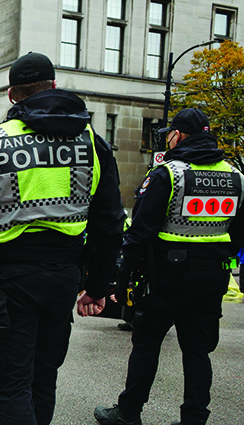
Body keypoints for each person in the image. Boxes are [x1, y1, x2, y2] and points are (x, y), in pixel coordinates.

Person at [0, 52, 125, 425]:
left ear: (11, 94)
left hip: (8, 280)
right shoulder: (91, 142)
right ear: (54, 86)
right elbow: (109, 221)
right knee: (43, 376)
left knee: (9, 384)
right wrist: (97, 285)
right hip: (64, 277)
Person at [94, 108, 244, 425]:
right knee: (198, 350)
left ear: (179, 135)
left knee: (146, 345)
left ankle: (129, 412)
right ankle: (194, 418)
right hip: (212, 275)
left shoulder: (168, 174)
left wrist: (122, 276)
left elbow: (140, 231)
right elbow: (239, 232)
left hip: (165, 276)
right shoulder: (235, 176)